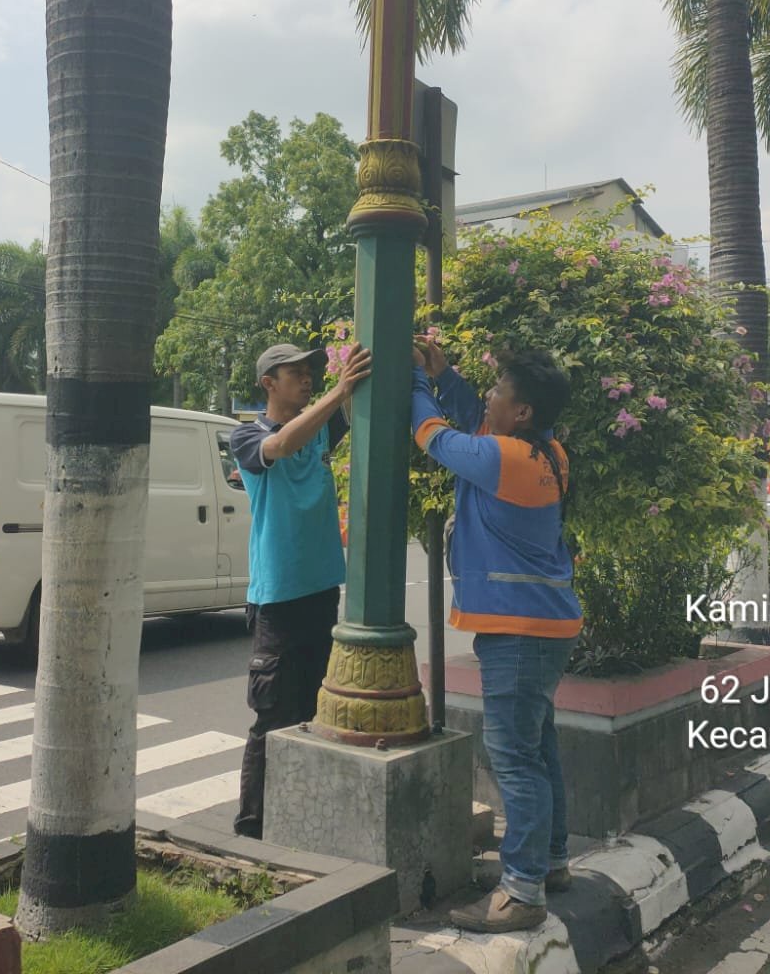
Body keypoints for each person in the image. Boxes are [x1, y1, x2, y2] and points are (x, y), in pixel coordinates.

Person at [411, 337, 580, 933]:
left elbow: (433, 434)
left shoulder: (503, 459)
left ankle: (522, 891)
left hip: (518, 631)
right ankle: (549, 863)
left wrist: (415, 381)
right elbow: (480, 428)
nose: (488, 396)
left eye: (498, 391)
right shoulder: (548, 454)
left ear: (523, 411)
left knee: (515, 759)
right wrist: (448, 375)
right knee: (539, 749)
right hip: (546, 625)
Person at [228, 340, 371, 839]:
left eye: (311, 371)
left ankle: (297, 824)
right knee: (273, 719)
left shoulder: (319, 430)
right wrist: (339, 390)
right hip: (279, 600)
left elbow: (354, 405)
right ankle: (251, 831)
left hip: (320, 591)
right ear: (269, 384)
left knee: (312, 713)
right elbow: (282, 446)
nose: (307, 378)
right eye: (295, 373)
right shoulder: (247, 436)